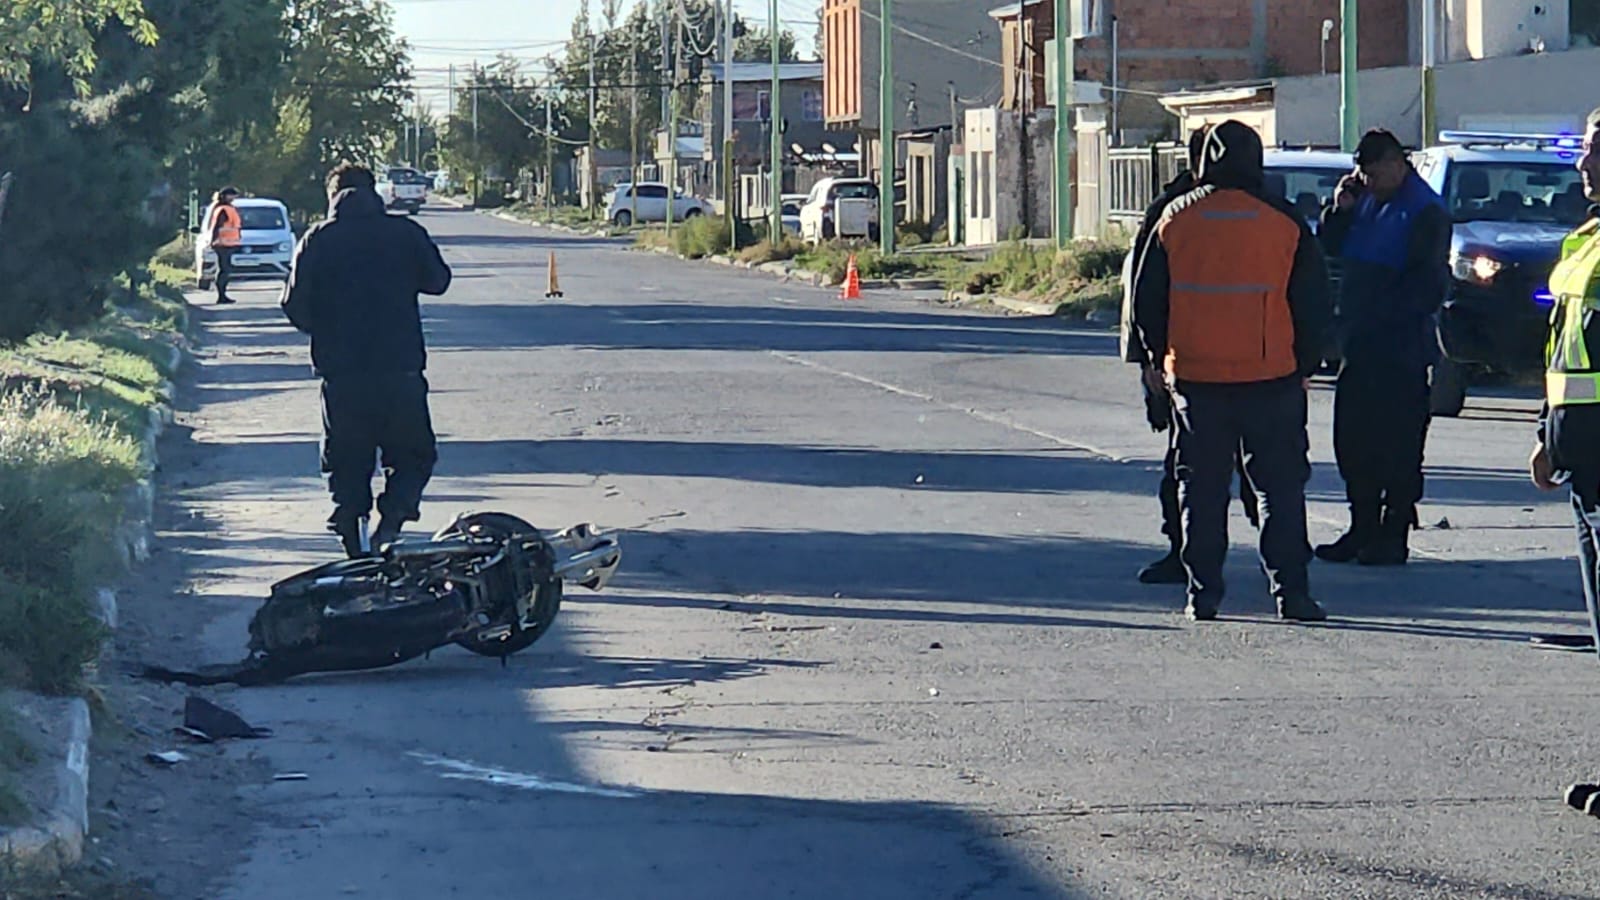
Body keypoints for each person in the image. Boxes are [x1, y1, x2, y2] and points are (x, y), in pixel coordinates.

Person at [1133, 120, 1333, 622]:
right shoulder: (1282, 220)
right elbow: (1312, 301)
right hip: (1272, 378)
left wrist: (1157, 359)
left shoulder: (1175, 219)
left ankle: (1202, 594)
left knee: (1200, 490)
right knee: (1279, 489)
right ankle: (1291, 593)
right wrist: (1306, 364)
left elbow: (1146, 303)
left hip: (1197, 380)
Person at [281, 163, 453, 558]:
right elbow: (438, 281)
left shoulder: (318, 239)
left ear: (332, 196)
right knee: (412, 453)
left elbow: (293, 304)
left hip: (342, 375)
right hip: (400, 368)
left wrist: (326, 333)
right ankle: (391, 519)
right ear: (374, 191)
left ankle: (350, 528)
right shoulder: (404, 233)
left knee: (346, 457)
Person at [1122, 126, 1261, 585]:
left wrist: (1149, 358)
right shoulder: (1176, 211)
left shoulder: (1192, 210)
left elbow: (1144, 296)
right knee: (1202, 468)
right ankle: (1193, 555)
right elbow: (1146, 292)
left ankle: (1269, 558)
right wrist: (1148, 358)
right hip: (1219, 366)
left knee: (1204, 470)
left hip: (1202, 368)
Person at [1316, 130, 1452, 566]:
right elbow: (1331, 247)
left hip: (1400, 350)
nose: (1365, 180)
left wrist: (1377, 319)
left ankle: (1392, 535)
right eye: (1361, 172)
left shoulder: (1424, 211)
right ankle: (1362, 528)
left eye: (1372, 172)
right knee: (1353, 443)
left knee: (1397, 446)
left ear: (1398, 164)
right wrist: (1339, 211)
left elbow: (1426, 288)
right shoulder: (1364, 201)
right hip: (1360, 344)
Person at [1531, 107, 1600, 656]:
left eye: (1596, 148)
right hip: (1578, 444)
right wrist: (1543, 434)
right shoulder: (1586, 241)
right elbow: (1563, 353)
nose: (1583, 160)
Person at [208, 187, 243, 305]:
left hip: (227, 243)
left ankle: (223, 295)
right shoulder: (223, 210)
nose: (234, 198)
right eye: (231, 195)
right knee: (224, 270)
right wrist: (213, 240)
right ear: (225, 196)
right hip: (223, 243)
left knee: (225, 269)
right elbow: (217, 227)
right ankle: (221, 295)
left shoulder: (227, 208)